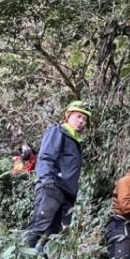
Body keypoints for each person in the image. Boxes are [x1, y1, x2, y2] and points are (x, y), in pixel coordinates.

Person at [24, 101, 91, 250]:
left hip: (67, 194)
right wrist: (47, 179)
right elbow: (46, 156)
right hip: (52, 187)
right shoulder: (58, 132)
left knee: (54, 233)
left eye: (85, 119)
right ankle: (20, 258)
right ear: (68, 116)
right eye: (78, 116)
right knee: (40, 225)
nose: (81, 121)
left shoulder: (76, 143)